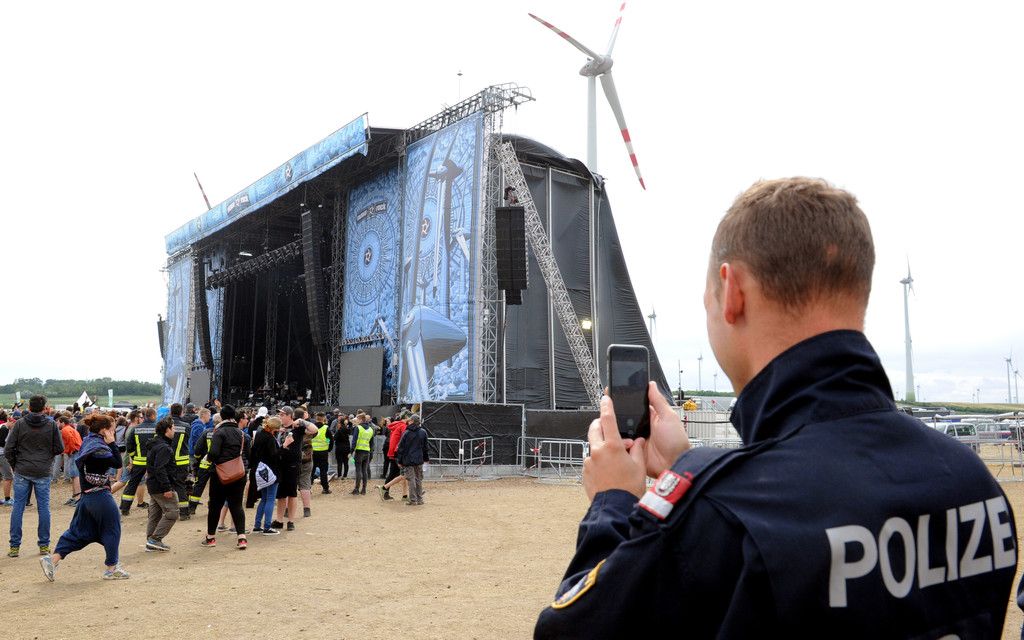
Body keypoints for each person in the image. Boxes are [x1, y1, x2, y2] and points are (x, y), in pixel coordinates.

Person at [533, 178, 1018, 638]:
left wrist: (612, 502)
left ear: (732, 292)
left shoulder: (720, 516)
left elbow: (569, 630)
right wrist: (688, 466)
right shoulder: (974, 484)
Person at [40, 412, 129, 581]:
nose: (114, 432)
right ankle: (112, 569)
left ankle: (52, 560)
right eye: (112, 429)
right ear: (104, 430)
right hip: (100, 496)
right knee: (112, 529)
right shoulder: (100, 448)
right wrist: (112, 443)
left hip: (86, 497)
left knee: (79, 533)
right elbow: (118, 463)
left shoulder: (89, 441)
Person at [5, 395, 64, 557]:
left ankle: (14, 546)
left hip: (23, 469)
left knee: (18, 507)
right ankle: (44, 545)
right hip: (42, 470)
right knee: (43, 507)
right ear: (44, 408)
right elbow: (59, 448)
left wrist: (15, 465)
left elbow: (9, 448)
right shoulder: (51, 424)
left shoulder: (20, 424)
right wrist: (47, 459)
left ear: (29, 407)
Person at [202, 404, 249, 550]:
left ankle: (211, 537)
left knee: (215, 506)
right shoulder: (242, 434)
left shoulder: (219, 432)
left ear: (221, 416)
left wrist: (209, 459)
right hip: (238, 474)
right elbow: (248, 454)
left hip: (220, 474)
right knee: (237, 505)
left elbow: (214, 453)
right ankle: (241, 538)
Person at [144, 417, 179, 552]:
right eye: (173, 428)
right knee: (173, 513)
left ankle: (151, 541)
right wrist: (167, 488)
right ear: (167, 430)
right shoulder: (164, 447)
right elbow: (160, 468)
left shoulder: (155, 444)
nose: (174, 431)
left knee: (155, 514)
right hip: (161, 487)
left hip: (153, 485)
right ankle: (155, 539)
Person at [247, 416, 282, 535]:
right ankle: (267, 526)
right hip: (271, 471)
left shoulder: (260, 435)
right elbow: (274, 455)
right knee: (270, 499)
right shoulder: (270, 438)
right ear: (275, 428)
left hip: (260, 470)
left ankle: (257, 525)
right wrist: (284, 447)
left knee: (264, 498)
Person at [120, 407, 157, 515]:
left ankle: (125, 508)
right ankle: (155, 509)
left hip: (138, 462)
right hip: (153, 462)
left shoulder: (136, 429)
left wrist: (134, 456)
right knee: (155, 484)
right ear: (153, 416)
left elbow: (129, 445)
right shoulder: (157, 428)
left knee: (132, 484)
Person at [395, 413, 428, 506]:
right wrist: (426, 458)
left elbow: (401, 448)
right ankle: (420, 499)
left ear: (412, 421)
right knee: (418, 479)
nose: (408, 422)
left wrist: (399, 460)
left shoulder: (406, 432)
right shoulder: (423, 432)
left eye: (410, 420)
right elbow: (425, 447)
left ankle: (413, 500)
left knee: (411, 479)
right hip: (419, 459)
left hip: (408, 459)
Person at [168, 403, 193, 520]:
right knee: (180, 485)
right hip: (182, 461)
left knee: (166, 485)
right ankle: (184, 513)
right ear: (181, 412)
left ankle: (166, 511)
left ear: (170, 412)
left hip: (168, 461)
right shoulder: (186, 426)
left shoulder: (165, 425)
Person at [378, 411, 408, 501]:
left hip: (393, 452)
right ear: (406, 418)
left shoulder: (397, 425)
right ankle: (384, 489)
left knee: (397, 474)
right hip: (398, 453)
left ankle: (404, 495)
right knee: (404, 474)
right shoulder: (403, 426)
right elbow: (404, 440)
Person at [293, 407, 317, 517]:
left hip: (293, 459)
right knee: (305, 484)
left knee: (291, 484)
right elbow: (315, 431)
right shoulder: (308, 429)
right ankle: (307, 509)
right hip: (306, 459)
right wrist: (305, 420)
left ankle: (288, 509)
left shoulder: (291, 427)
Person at [58, 414, 83, 506]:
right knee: (73, 475)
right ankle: (75, 496)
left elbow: (71, 440)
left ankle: (78, 498)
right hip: (77, 452)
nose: (57, 424)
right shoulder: (71, 428)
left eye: (58, 422)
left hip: (75, 452)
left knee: (75, 475)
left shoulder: (65, 430)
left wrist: (70, 451)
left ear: (63, 423)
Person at [350, 412, 374, 495]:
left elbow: (354, 441)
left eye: (357, 419)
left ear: (361, 419)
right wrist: (370, 452)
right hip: (367, 452)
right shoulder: (370, 429)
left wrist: (351, 452)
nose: (356, 420)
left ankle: (356, 489)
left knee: (358, 470)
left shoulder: (358, 428)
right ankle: (364, 489)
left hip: (359, 452)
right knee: (364, 470)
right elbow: (372, 443)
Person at [310, 412, 332, 494]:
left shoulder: (311, 427)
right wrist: (328, 446)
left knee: (311, 470)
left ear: (316, 418)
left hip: (313, 452)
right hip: (323, 452)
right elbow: (330, 439)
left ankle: (308, 488)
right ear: (323, 418)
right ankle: (325, 488)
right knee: (323, 471)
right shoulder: (326, 428)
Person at [331, 413, 351, 481]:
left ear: (339, 422)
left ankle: (339, 475)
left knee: (339, 462)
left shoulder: (339, 430)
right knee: (346, 462)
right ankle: (345, 476)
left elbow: (334, 439)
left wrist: (329, 439)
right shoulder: (347, 429)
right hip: (347, 448)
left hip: (339, 448)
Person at [0, 411, 13, 505]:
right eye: (13, 424)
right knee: (8, 477)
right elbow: (1, 442)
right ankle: (7, 499)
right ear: (9, 421)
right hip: (1, 455)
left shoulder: (2, 427)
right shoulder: (4, 428)